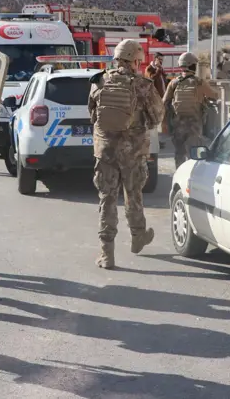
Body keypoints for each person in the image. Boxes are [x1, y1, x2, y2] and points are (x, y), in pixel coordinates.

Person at [88, 39, 164, 270]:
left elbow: (92, 114)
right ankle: (138, 236)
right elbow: (157, 117)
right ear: (135, 60)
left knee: (107, 198)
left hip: (105, 150)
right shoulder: (143, 85)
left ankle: (106, 254)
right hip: (133, 151)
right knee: (133, 195)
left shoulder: (99, 80)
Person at [163, 52, 219, 168]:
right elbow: (214, 95)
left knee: (179, 152)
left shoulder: (174, 83)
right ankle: (193, 175)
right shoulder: (199, 82)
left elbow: (164, 102)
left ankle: (179, 174)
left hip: (178, 124)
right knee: (194, 152)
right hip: (194, 124)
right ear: (193, 66)